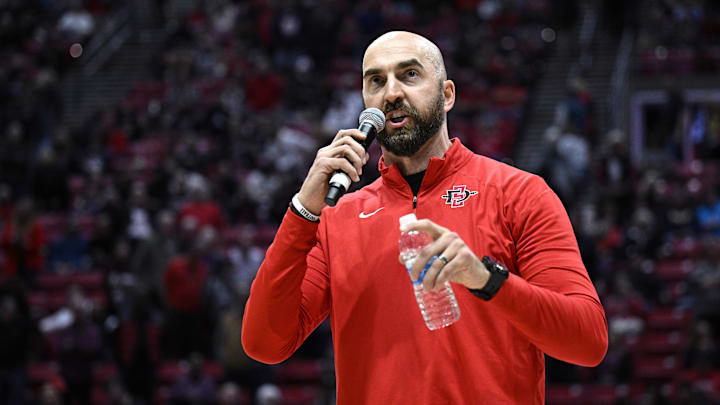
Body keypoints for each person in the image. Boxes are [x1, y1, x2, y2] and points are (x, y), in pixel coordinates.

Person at [242, 31, 608, 404]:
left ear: (447, 95)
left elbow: (587, 342)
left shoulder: (519, 194)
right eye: (376, 81)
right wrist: (303, 210)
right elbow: (264, 343)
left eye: (410, 74)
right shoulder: (339, 219)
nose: (391, 93)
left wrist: (486, 279)